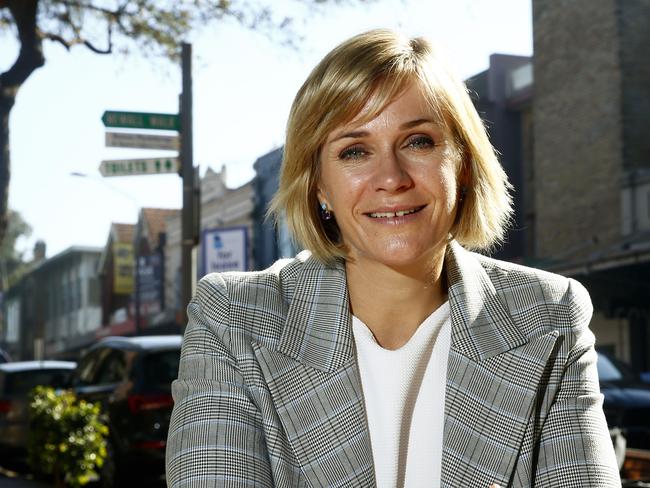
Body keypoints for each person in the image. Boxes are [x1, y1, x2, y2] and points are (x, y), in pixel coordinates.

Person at [166, 29, 620, 487]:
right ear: (319, 185)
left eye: (418, 141)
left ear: (461, 165)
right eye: (355, 151)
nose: (391, 178)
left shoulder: (547, 315)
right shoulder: (235, 321)